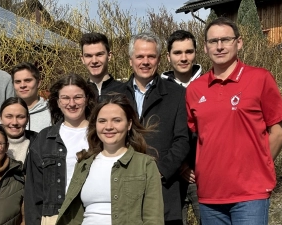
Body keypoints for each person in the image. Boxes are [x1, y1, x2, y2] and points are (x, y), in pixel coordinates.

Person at [186, 17, 282, 225]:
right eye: (213, 41)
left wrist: (258, 165)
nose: (220, 46)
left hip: (250, 194)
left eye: (226, 40)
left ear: (239, 43)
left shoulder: (260, 78)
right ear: (205, 47)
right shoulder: (195, 89)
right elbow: (194, 136)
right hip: (209, 194)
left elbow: (280, 132)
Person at [56, 93, 164, 225]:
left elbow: (153, 218)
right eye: (102, 121)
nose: (108, 127)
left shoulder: (145, 164)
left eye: (117, 120)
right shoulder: (84, 165)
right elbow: (72, 216)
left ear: (129, 124)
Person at [116, 32, 190, 225]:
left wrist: (160, 171)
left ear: (159, 59)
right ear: (131, 59)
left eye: (151, 56)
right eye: (140, 56)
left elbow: (183, 140)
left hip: (164, 187)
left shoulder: (177, 94)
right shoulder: (115, 96)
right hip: (123, 186)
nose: (145, 61)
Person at [24, 74, 96, 225]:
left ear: (87, 99)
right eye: (65, 98)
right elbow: (33, 194)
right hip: (54, 218)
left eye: (77, 97)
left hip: (91, 215)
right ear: (58, 102)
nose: (72, 103)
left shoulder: (100, 136)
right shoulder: (44, 139)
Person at [161, 30, 201, 225]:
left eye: (189, 52)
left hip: (202, 174)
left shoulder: (208, 84)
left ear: (195, 53)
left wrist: (192, 164)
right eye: (177, 53)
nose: (184, 58)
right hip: (171, 175)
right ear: (168, 56)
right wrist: (176, 165)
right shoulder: (158, 89)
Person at [9, 62, 51, 132]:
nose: (22, 85)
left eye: (27, 80)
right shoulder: (4, 113)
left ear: (38, 83)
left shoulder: (51, 112)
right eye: (18, 82)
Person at [80, 32, 122, 99]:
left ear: (109, 56)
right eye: (88, 56)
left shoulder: (124, 91)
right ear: (82, 59)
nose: (94, 61)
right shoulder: (79, 94)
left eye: (99, 54)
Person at [0, 97, 38, 164]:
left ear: (27, 119)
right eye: (9, 116)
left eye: (20, 117)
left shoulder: (39, 142)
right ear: (0, 118)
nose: (14, 123)